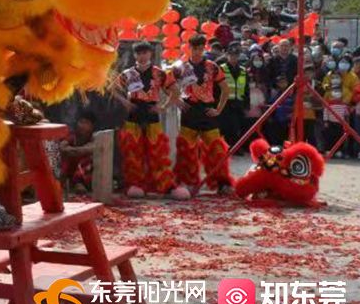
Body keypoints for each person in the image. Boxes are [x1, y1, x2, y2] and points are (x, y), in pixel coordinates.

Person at [114, 42, 187, 200]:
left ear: (150, 54)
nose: (142, 56)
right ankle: (136, 184)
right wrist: (125, 102)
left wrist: (164, 107)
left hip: (152, 112)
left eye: (145, 53)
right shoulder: (128, 73)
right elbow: (113, 89)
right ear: (135, 55)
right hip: (133, 113)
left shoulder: (160, 73)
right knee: (133, 151)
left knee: (157, 151)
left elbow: (175, 91)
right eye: (139, 53)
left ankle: (164, 184)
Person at [174, 34, 234, 195]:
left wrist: (219, 109)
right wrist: (176, 100)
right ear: (189, 48)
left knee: (216, 149)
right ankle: (187, 182)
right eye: (195, 48)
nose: (198, 52)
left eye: (201, 48)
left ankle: (222, 183)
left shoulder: (213, 67)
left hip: (208, 110)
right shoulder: (181, 67)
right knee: (186, 149)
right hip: (189, 110)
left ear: (204, 48)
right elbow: (167, 85)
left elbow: (226, 90)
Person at [218, 44, 249, 149]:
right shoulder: (221, 69)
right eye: (231, 55)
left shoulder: (243, 70)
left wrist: (246, 104)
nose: (233, 58)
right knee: (226, 127)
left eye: (236, 55)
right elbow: (217, 88)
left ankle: (235, 148)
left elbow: (246, 88)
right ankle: (227, 147)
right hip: (226, 103)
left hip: (239, 103)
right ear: (227, 56)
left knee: (237, 127)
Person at [58, 111, 96, 193]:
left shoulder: (94, 137)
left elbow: (90, 149)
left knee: (87, 157)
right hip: (70, 169)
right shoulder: (72, 136)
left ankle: (79, 183)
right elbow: (62, 147)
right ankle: (61, 181)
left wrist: (73, 151)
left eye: (86, 123)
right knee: (64, 157)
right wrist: (75, 151)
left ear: (92, 127)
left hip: (86, 173)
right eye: (81, 122)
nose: (82, 125)